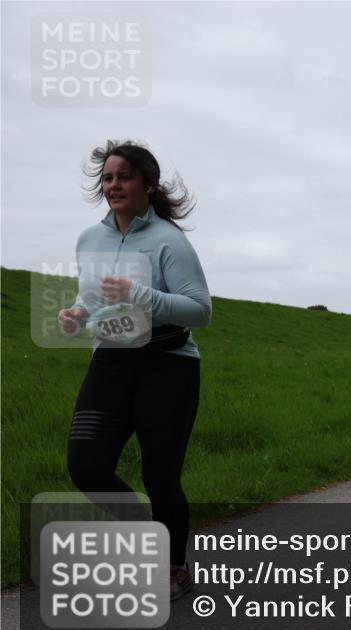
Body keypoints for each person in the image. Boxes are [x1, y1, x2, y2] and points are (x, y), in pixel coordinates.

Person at [58, 140, 211, 601]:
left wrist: (140, 295)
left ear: (147, 183)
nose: (113, 185)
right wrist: (77, 315)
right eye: (107, 178)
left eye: (123, 176)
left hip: (167, 366)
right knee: (86, 466)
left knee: (161, 476)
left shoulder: (169, 241)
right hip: (110, 363)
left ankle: (174, 566)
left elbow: (199, 310)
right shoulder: (90, 239)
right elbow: (92, 295)